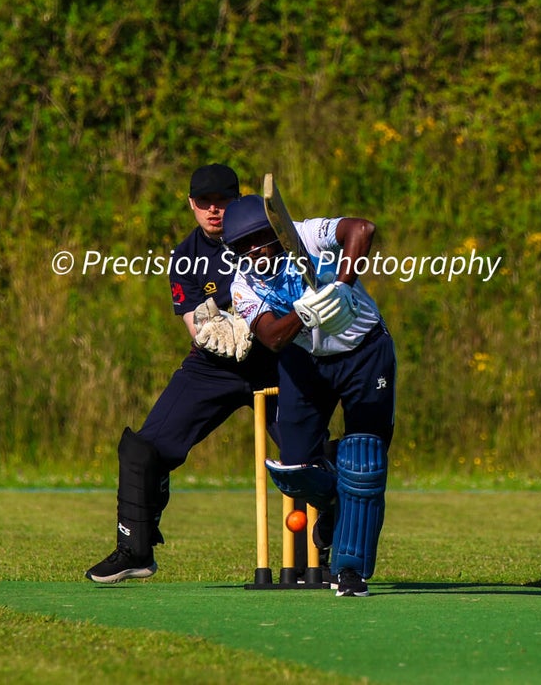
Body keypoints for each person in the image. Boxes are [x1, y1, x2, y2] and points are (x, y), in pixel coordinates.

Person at [85, 165, 280, 583]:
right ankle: (135, 550)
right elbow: (198, 327)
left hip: (276, 360)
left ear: (237, 200)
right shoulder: (185, 256)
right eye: (204, 202)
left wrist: (256, 323)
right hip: (214, 366)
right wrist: (221, 331)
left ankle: (324, 555)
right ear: (191, 204)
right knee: (143, 450)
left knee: (310, 456)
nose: (213, 210)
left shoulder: (266, 237)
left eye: (222, 201)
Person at [222, 194, 396, 597]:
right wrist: (304, 314)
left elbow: (362, 229)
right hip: (304, 361)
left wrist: (342, 287)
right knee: (295, 471)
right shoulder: (243, 285)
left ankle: (350, 571)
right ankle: (337, 500)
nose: (255, 251)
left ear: (274, 230)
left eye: (259, 239)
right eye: (243, 247)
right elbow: (271, 337)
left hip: (365, 352)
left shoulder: (305, 235)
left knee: (365, 460)